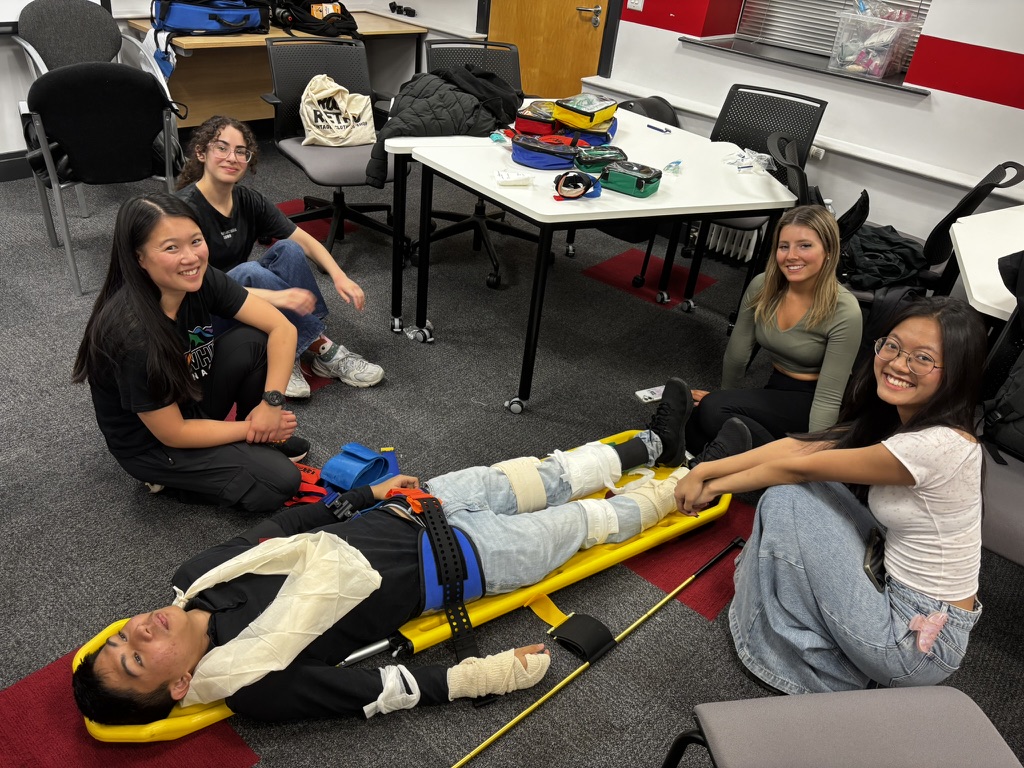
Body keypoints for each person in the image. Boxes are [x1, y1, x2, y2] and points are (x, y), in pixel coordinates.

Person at [71, 386, 695, 725]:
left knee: (549, 474)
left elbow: (281, 525)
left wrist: (365, 494)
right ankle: (694, 480)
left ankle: (658, 440)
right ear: (181, 684)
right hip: (471, 560)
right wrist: (489, 676)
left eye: (119, 641)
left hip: (417, 507)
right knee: (591, 520)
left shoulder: (193, 579)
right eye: (135, 661)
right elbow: (378, 688)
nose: (134, 633)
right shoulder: (252, 687)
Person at [675, 296, 986, 695]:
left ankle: (825, 675)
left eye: (922, 358)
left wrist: (712, 486)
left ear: (954, 374)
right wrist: (706, 469)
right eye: (892, 345)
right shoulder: (909, 421)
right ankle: (776, 596)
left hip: (912, 646)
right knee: (814, 490)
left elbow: (797, 466)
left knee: (786, 498)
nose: (897, 364)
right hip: (902, 596)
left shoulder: (937, 446)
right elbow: (806, 447)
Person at [73, 193, 304, 514]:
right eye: (171, 248)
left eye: (195, 241)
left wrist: (270, 405)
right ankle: (171, 481)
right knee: (280, 483)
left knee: (253, 341)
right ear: (139, 257)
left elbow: (282, 328)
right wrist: (253, 429)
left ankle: (254, 439)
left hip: (189, 398)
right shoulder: (132, 336)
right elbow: (174, 432)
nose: (191, 257)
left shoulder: (198, 278)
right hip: (155, 443)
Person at [175, 115, 383, 399]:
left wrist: (340, 276)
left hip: (240, 297)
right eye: (221, 148)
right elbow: (191, 287)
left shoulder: (247, 199)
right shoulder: (183, 210)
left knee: (289, 249)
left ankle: (293, 346)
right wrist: (278, 298)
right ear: (201, 153)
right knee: (251, 271)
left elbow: (304, 241)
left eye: (240, 151)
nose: (231, 157)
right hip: (201, 313)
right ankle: (316, 347)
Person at [685, 205, 863, 461]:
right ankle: (753, 454)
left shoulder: (845, 311)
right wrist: (726, 395)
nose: (791, 255)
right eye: (784, 246)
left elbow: (829, 397)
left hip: (814, 399)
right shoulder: (762, 285)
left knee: (713, 413)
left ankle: (788, 463)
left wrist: (813, 455)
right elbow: (737, 353)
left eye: (805, 246)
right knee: (697, 420)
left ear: (828, 251)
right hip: (777, 387)